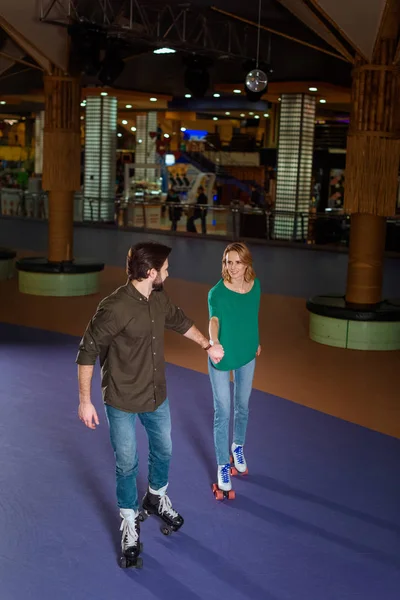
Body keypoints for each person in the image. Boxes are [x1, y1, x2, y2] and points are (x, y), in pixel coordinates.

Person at [76, 242, 224, 567]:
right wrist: (85, 401)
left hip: (156, 395)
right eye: (166, 268)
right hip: (122, 398)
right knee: (127, 463)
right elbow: (87, 351)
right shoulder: (113, 308)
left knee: (164, 449)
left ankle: (156, 497)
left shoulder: (158, 298)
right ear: (151, 272)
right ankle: (129, 520)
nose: (169, 272)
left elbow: (180, 320)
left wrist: (207, 345)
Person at [207, 242, 261, 494]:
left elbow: (251, 316)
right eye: (228, 261)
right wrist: (214, 342)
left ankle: (237, 447)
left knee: (242, 405)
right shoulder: (216, 293)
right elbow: (214, 320)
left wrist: (255, 342)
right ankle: (221, 465)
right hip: (222, 356)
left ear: (246, 263)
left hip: (247, 354)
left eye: (237, 262)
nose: (232, 267)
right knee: (223, 411)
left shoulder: (255, 286)